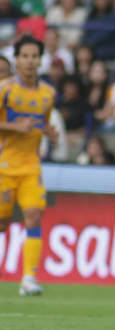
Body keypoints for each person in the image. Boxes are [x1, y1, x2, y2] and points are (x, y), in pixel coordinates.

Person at [0, 36, 59, 295]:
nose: (30, 61)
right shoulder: (5, 90)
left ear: (40, 60)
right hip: (3, 167)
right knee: (2, 222)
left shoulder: (49, 94)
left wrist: (49, 132)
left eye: (34, 56)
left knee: (34, 216)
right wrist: (15, 127)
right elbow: (19, 125)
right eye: (25, 56)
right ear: (17, 59)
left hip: (31, 167)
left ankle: (28, 279)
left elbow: (39, 122)